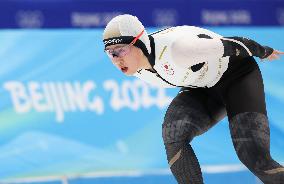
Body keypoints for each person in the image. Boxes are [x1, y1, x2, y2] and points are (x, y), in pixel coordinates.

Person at [102, 14, 284, 184]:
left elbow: (235, 43)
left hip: (237, 75)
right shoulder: (135, 66)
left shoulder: (178, 50)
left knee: (254, 158)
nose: (116, 59)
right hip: (202, 86)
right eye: (110, 52)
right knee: (173, 134)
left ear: (140, 43)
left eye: (121, 50)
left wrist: (264, 51)